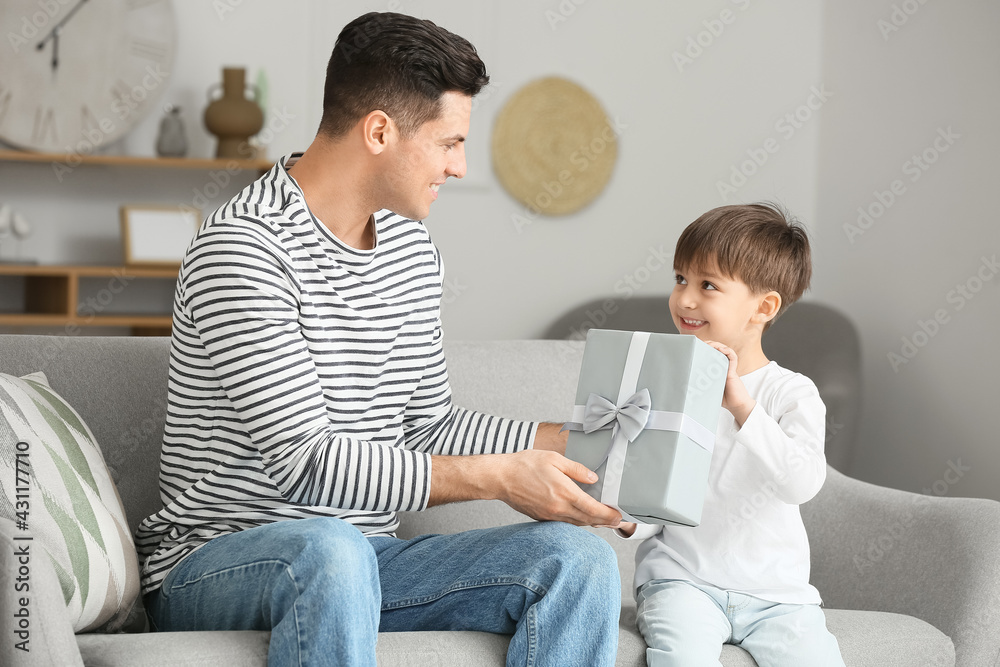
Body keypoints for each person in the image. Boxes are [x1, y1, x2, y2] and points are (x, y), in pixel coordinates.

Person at [135, 12, 622, 667]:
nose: (460, 165)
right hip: (219, 561)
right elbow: (306, 461)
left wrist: (565, 444)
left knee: (578, 558)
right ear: (379, 132)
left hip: (363, 558)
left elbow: (426, 425)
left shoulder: (411, 251)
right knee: (330, 547)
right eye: (449, 142)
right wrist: (499, 476)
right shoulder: (245, 249)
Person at [618, 203, 845, 666]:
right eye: (680, 278)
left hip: (778, 597)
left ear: (763, 307)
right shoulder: (668, 385)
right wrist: (626, 520)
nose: (684, 299)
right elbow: (662, 501)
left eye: (707, 285)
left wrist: (742, 406)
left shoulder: (791, 393)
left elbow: (800, 482)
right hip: (683, 581)